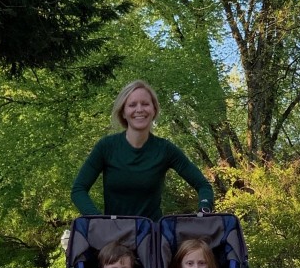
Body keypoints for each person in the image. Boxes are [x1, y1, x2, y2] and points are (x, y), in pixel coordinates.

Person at [71, 80, 214, 222]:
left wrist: (204, 210)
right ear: (123, 113)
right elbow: (79, 190)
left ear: (154, 110)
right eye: (132, 105)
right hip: (114, 236)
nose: (139, 109)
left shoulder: (165, 149)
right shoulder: (106, 147)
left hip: (152, 236)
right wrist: (98, 220)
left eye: (145, 104)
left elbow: (203, 185)